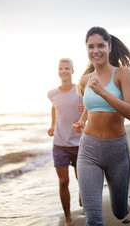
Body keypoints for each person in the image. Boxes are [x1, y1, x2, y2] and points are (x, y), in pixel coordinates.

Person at [72, 26, 130, 226]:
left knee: (120, 213)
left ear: (109, 47)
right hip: (88, 151)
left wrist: (103, 91)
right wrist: (82, 121)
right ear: (86, 49)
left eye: (101, 45)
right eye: (91, 46)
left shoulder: (122, 73)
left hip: (117, 151)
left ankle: (123, 203)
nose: (96, 50)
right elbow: (91, 106)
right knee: (92, 219)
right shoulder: (85, 79)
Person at [47, 58, 84, 226]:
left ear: (72, 71)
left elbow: (89, 109)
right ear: (58, 71)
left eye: (67, 68)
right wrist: (53, 125)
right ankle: (68, 217)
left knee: (82, 180)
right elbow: (55, 106)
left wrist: (85, 109)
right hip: (60, 144)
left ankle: (82, 197)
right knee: (63, 182)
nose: (64, 71)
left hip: (79, 143)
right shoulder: (52, 94)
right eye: (61, 68)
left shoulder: (80, 91)